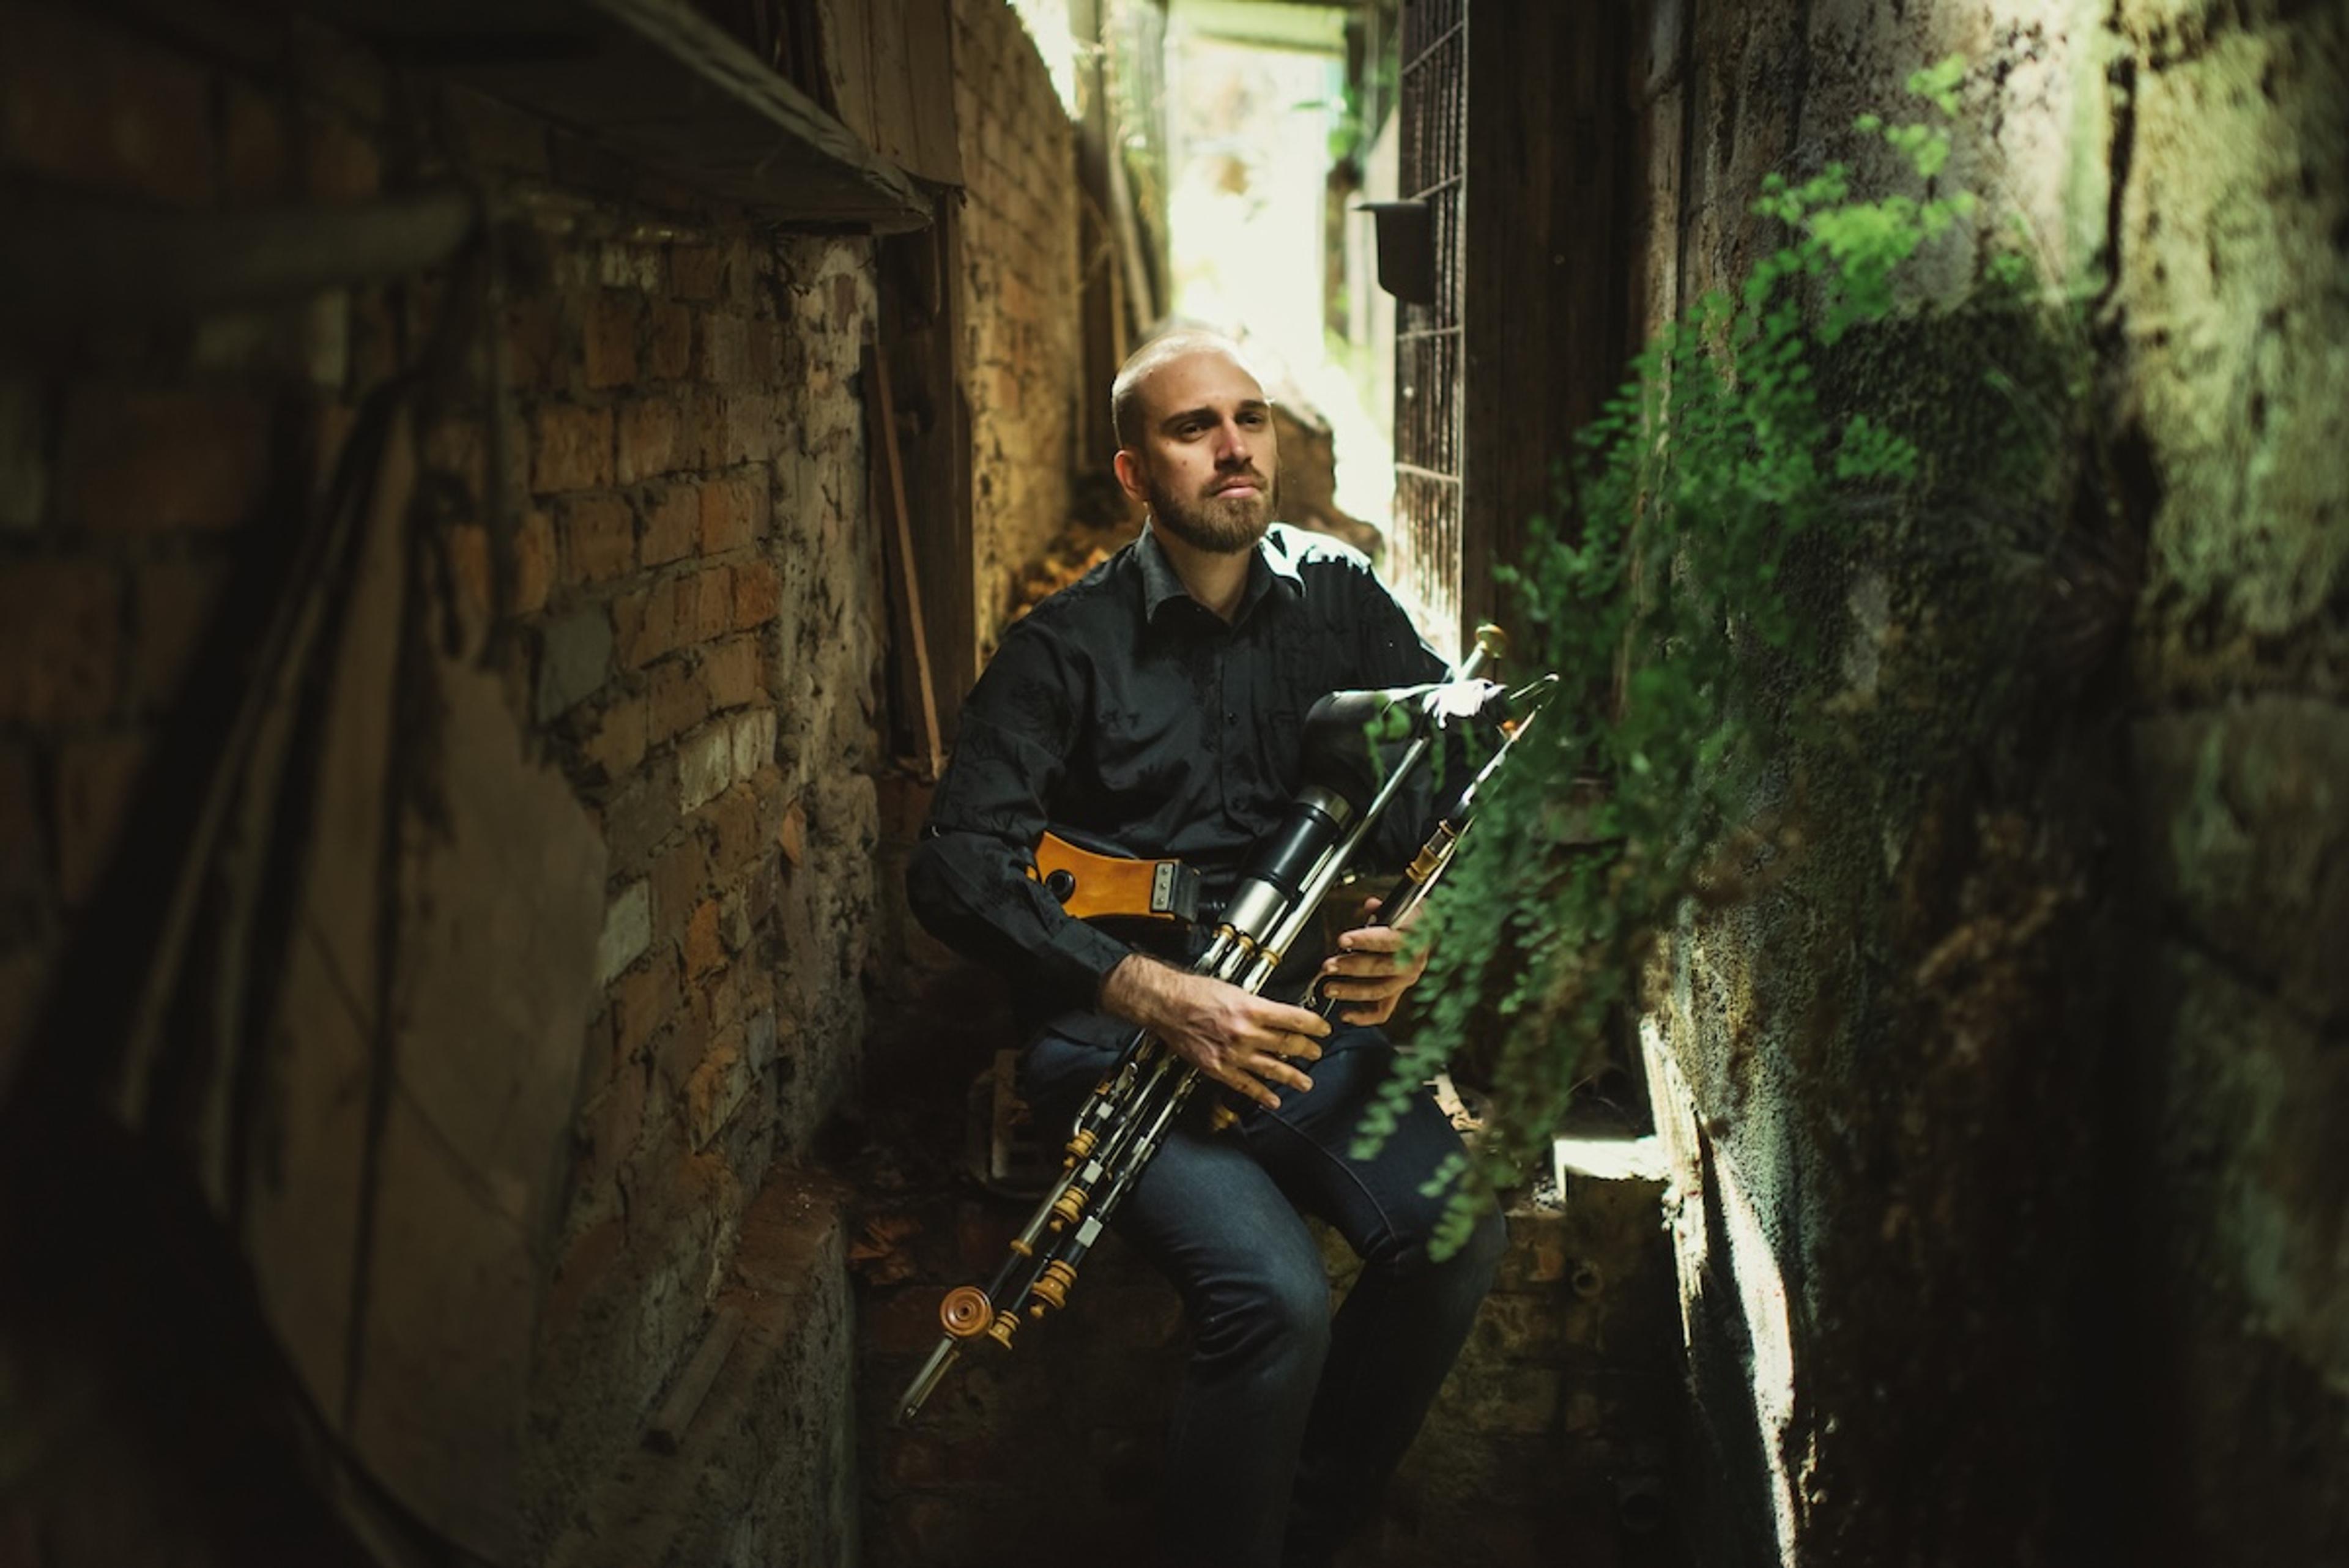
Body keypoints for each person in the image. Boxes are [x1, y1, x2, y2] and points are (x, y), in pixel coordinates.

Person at [907, 330, 1505, 1568]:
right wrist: (1152, 991)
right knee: (1274, 1300)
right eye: (1194, 429)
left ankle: (1302, 1533)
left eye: (1251, 418)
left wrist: (1426, 928)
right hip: (1120, 1041)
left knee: (1457, 1236)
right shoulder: (1061, 648)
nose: (1235, 449)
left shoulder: (1339, 601)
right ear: (1135, 474)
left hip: (1300, 1030)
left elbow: (1470, 779)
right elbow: (954, 866)